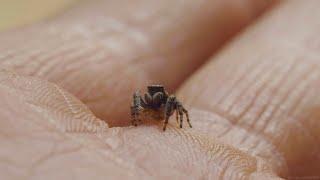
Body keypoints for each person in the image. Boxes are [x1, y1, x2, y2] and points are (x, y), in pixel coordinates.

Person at [0, 0, 319, 179]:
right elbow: (137, 102)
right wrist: (138, 119)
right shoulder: (147, 98)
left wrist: (175, 122)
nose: (153, 95)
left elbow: (174, 106)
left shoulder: (166, 101)